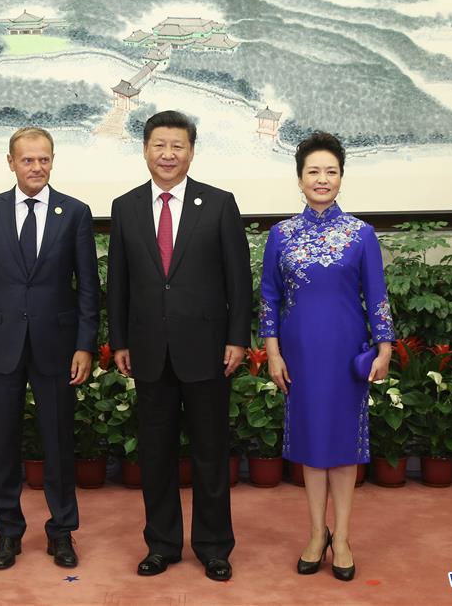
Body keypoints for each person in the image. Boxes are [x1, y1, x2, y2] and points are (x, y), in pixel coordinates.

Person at [107, 110, 252, 582]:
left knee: (211, 454)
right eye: (159, 145)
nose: (168, 154)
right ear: (145, 150)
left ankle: (214, 547)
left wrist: (237, 338)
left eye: (177, 146)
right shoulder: (126, 206)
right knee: (155, 455)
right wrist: (119, 340)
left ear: (191, 152)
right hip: (149, 350)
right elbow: (118, 283)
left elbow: (239, 280)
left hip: (208, 350)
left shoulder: (219, 204)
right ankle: (162, 545)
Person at [260, 131, 395, 581]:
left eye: (331, 172)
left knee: (342, 447)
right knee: (311, 445)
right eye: (313, 171)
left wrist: (385, 347)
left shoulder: (361, 234)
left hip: (345, 354)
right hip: (299, 355)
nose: (322, 179)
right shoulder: (281, 235)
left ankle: (344, 538)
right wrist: (273, 353)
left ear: (341, 178)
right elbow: (269, 298)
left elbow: (377, 295)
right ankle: (317, 534)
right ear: (299, 179)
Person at [0, 127, 98, 571]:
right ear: (11, 163)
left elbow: (88, 288)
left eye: (44, 159)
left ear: (53, 161)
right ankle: (8, 532)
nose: (36, 167)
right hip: (0, 345)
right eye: (27, 160)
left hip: (57, 347)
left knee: (58, 442)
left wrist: (84, 345)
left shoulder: (75, 212)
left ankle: (62, 531)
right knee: (3, 442)